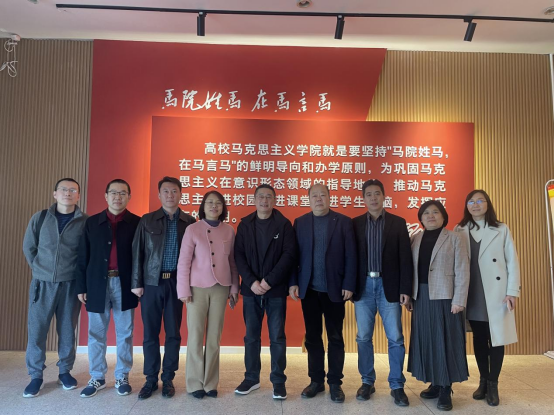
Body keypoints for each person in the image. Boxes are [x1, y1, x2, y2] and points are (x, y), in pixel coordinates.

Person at [289, 183, 357, 404]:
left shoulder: (343, 222)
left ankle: (335, 383)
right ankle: (316, 381)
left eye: (323, 195)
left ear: (329, 197)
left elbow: (351, 255)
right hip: (309, 290)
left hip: (334, 290)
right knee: (312, 337)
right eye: (314, 196)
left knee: (335, 337)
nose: (319, 199)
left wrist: (349, 283)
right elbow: (293, 256)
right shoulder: (300, 222)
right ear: (308, 199)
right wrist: (293, 282)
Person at [22, 178, 88, 398]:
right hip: (42, 284)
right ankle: (35, 375)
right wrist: (39, 269)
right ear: (55, 194)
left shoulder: (85, 222)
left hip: (70, 284)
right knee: (37, 330)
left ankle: (65, 372)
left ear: (78, 196)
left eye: (73, 190)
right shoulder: (40, 218)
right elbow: (29, 247)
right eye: (63, 189)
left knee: (68, 330)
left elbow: (86, 254)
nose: (68, 193)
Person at [131, 177, 196, 400]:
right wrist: (136, 283)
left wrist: (189, 286)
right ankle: (150, 379)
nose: (170, 195)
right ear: (159, 195)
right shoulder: (147, 220)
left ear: (180, 194)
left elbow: (195, 257)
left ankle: (168, 378)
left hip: (176, 284)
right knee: (150, 333)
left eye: (174, 191)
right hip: (151, 283)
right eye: (166, 191)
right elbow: (137, 252)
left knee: (173, 333)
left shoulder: (189, 222)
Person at [455, 190, 521, 407]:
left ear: (487, 204)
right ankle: (483, 380)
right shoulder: (460, 229)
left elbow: (512, 261)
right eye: (471, 201)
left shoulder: (501, 229)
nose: (475, 205)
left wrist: (512, 291)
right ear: (467, 206)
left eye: (480, 201)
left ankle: (493, 383)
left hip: (496, 293)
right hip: (472, 292)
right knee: (479, 338)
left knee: (497, 339)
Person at [76, 179, 140, 398]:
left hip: (125, 284)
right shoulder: (92, 222)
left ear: (129, 197)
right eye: (113, 193)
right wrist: (81, 286)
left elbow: (141, 257)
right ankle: (98, 377)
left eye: (122, 193)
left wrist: (138, 284)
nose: (117, 197)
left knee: (125, 332)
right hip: (97, 284)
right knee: (96, 333)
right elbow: (82, 256)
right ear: (106, 196)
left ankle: (122, 375)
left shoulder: (137, 223)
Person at [234, 185, 298, 401]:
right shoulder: (245, 224)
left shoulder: (284, 225)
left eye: (269, 197)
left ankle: (278, 381)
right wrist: (251, 281)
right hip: (250, 290)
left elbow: (289, 255)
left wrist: (269, 281)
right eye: (260, 196)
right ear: (254, 200)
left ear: (274, 200)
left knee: (277, 337)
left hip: (276, 290)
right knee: (251, 337)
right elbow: (238, 255)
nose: (264, 200)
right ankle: (251, 378)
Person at [352, 179, 413, 406]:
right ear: (363, 198)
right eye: (369, 194)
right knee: (363, 337)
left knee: (395, 338)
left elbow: (405, 258)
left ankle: (397, 385)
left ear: (384, 196)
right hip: (364, 287)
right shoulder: (355, 224)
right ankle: (367, 381)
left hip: (390, 286)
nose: (373, 198)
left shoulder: (398, 222)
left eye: (377, 193)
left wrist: (405, 289)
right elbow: (350, 258)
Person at [407, 200, 470, 412]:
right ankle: (434, 382)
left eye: (435, 212)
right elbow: (410, 270)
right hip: (421, 296)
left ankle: (445, 387)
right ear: (420, 218)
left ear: (443, 216)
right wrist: (410, 296)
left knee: (446, 340)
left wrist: (459, 299)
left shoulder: (455, 238)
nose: (431, 216)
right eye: (426, 213)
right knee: (427, 339)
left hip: (446, 297)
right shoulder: (415, 238)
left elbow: (463, 270)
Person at [177, 191, 240, 400]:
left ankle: (211, 383)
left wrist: (234, 288)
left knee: (214, 338)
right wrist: (183, 290)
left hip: (221, 288)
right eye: (210, 202)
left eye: (218, 203)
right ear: (203, 206)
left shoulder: (229, 230)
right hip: (196, 289)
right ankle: (195, 383)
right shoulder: (192, 229)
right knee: (195, 336)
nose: (214, 206)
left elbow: (233, 262)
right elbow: (184, 262)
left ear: (223, 208)